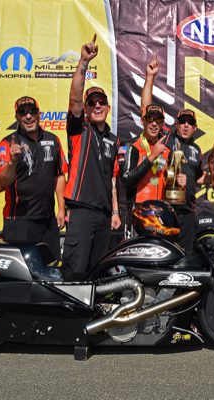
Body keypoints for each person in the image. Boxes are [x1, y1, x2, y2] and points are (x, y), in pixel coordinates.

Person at [62, 34, 121, 280]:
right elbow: (75, 96)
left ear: (108, 108)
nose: (97, 105)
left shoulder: (114, 139)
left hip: (104, 213)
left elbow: (113, 181)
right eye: (92, 102)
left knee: (99, 273)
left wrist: (115, 212)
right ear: (86, 109)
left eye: (102, 102)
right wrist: (84, 63)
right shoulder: (80, 128)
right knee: (76, 270)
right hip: (81, 210)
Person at [139, 55, 203, 252]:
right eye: (182, 121)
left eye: (190, 123)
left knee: (186, 256)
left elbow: (200, 177)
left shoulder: (197, 149)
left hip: (188, 211)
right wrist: (150, 77)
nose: (186, 125)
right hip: (167, 209)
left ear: (195, 128)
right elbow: (146, 109)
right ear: (176, 125)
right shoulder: (167, 137)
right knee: (163, 253)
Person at [0, 96, 67, 261]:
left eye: (32, 111)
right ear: (17, 118)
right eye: (23, 112)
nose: (28, 116)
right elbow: (4, 181)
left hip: (48, 221)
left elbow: (59, 175)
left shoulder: (53, 140)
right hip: (19, 221)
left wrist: (61, 209)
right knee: (20, 275)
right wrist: (13, 162)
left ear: (39, 114)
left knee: (51, 270)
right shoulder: (7, 144)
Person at [120, 104, 171, 207]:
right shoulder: (130, 146)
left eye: (158, 120)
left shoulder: (167, 151)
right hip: (138, 210)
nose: (154, 124)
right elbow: (126, 181)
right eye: (150, 118)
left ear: (163, 124)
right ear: (142, 121)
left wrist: (178, 182)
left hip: (160, 211)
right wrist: (152, 156)